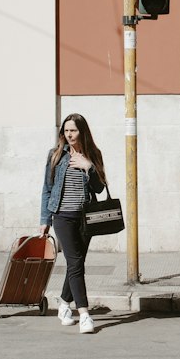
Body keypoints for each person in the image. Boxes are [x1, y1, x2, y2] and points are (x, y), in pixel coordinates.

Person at [39, 112, 106, 333]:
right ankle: (84, 314)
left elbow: (99, 188)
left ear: (82, 131)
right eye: (66, 130)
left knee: (76, 264)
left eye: (73, 130)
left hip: (86, 218)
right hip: (63, 217)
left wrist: (89, 167)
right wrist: (44, 220)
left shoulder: (93, 154)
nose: (69, 135)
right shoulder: (56, 154)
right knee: (76, 263)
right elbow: (47, 189)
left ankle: (64, 303)